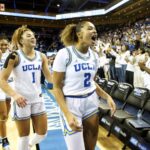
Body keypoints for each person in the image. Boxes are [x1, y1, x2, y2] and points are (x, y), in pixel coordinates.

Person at [52, 21, 116, 150]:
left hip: (91, 102)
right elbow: (57, 87)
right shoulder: (64, 54)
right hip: (71, 103)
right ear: (79, 34)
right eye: (90, 29)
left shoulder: (94, 56)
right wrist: (67, 114)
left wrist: (106, 96)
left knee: (90, 148)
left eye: (95, 30)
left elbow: (92, 81)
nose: (95, 32)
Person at [0, 25, 52, 150]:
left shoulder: (42, 56)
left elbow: (50, 79)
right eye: (29, 36)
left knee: (42, 133)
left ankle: (28, 146)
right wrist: (15, 95)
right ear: (21, 41)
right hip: (21, 101)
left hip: (37, 99)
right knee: (24, 136)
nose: (33, 37)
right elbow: (2, 80)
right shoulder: (14, 56)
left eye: (33, 35)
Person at [0, 37, 12, 150]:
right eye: (1, 45)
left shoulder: (12, 54)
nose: (3, 47)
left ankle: (1, 131)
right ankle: (4, 139)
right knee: (3, 115)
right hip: (0, 86)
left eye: (5, 44)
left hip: (10, 86)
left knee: (6, 115)